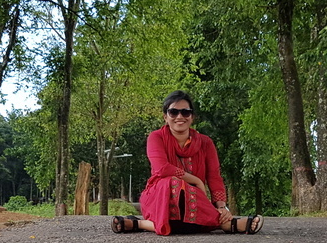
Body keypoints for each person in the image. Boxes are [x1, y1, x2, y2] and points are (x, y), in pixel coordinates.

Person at [112, 90, 263, 235]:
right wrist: (196, 181)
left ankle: (140, 224)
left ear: (192, 117)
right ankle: (227, 225)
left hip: (196, 201)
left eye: (185, 112)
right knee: (173, 183)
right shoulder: (156, 137)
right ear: (165, 116)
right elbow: (162, 169)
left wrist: (222, 207)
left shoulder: (205, 143)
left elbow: (214, 176)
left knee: (188, 197)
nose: (180, 116)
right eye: (173, 112)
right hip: (160, 197)